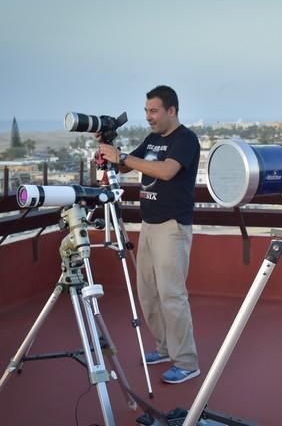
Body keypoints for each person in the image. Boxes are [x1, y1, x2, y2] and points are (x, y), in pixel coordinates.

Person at [97, 85, 201, 384]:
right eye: (146, 111)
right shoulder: (154, 138)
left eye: (154, 111)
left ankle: (186, 361)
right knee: (148, 292)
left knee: (172, 295)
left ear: (172, 110)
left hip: (172, 226)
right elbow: (126, 166)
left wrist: (124, 156)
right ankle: (165, 348)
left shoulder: (186, 139)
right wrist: (108, 148)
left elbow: (167, 171)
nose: (149, 117)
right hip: (149, 224)